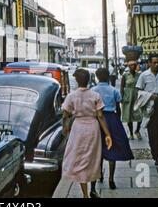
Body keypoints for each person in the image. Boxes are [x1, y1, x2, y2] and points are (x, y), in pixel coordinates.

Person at [61, 68, 113, 199]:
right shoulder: (95, 95)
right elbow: (100, 116)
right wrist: (107, 134)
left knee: (80, 159)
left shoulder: (71, 96)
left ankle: (85, 194)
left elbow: (65, 115)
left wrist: (65, 128)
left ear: (77, 81)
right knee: (93, 158)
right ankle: (93, 189)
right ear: (89, 80)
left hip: (78, 129)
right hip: (93, 128)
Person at [90, 68, 134, 196]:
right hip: (112, 119)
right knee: (112, 148)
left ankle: (96, 180)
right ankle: (111, 179)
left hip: (98, 120)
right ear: (108, 77)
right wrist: (118, 121)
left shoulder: (93, 91)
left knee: (97, 150)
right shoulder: (113, 90)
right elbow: (118, 107)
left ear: (97, 77)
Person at [121, 61, 143, 140]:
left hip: (137, 96)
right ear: (128, 66)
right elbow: (122, 87)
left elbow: (142, 85)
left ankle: (137, 130)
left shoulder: (139, 75)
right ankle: (130, 133)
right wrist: (122, 97)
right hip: (128, 96)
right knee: (128, 115)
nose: (133, 66)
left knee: (140, 114)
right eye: (131, 65)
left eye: (134, 65)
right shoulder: (125, 75)